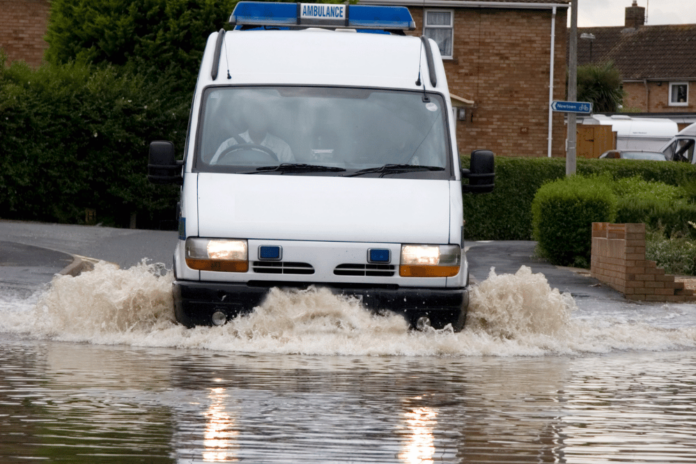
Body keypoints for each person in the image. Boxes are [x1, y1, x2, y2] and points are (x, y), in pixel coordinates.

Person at [210, 101, 294, 164]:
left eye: (262, 116)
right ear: (247, 119)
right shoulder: (229, 144)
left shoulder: (282, 148)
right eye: (254, 115)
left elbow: (290, 176)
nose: (258, 120)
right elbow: (212, 171)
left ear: (268, 120)